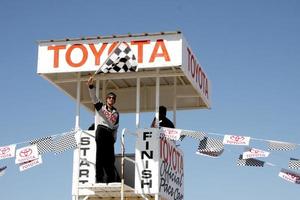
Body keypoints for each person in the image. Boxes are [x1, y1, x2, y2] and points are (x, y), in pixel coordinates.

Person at [87, 76, 120, 184]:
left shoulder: (116, 113)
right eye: (109, 97)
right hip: (101, 131)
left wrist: (114, 138)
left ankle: (111, 179)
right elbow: (94, 98)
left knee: (110, 158)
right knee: (100, 156)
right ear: (106, 99)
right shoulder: (101, 107)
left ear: (114, 101)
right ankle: (99, 179)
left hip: (110, 134)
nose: (111, 99)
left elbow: (115, 126)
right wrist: (91, 86)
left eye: (113, 98)